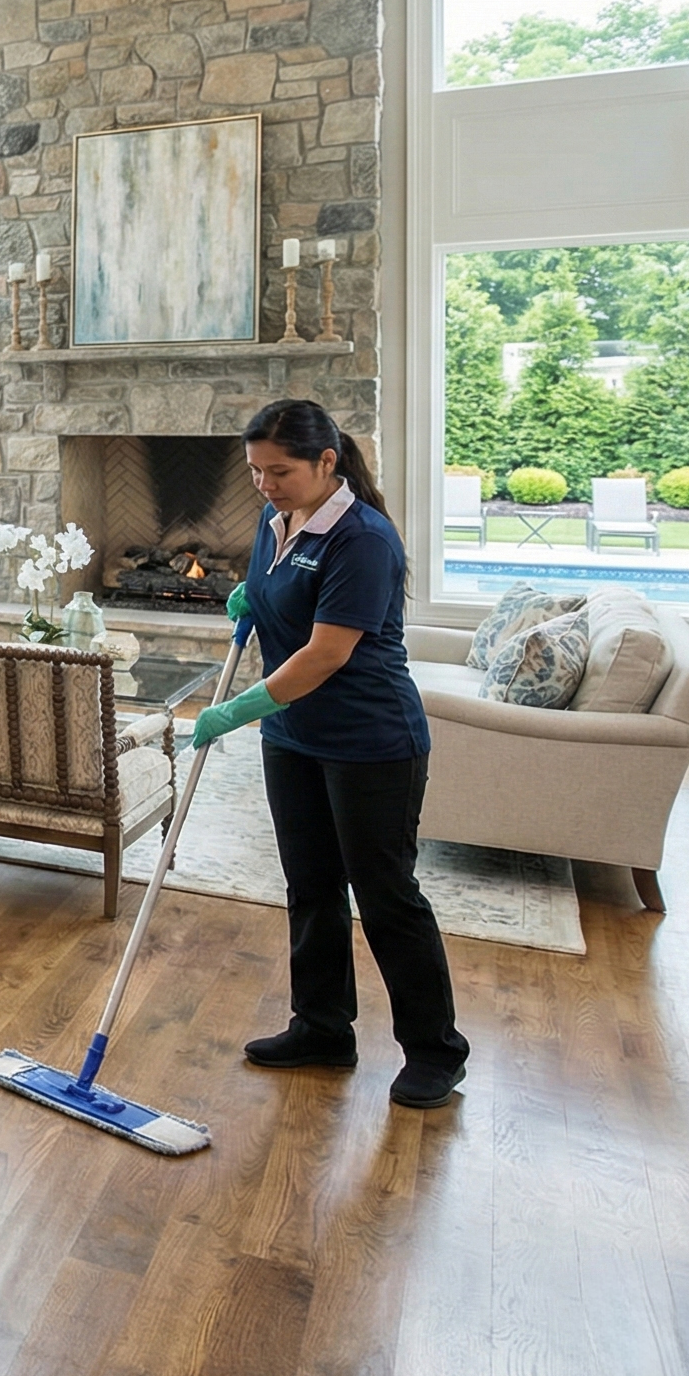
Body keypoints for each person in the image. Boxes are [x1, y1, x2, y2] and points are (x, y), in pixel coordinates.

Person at [190, 398, 469, 1109]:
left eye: (278, 471)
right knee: (311, 885)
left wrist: (237, 709)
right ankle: (320, 1028)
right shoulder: (272, 519)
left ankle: (436, 1051)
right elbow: (272, 587)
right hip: (295, 738)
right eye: (255, 472)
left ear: (326, 462)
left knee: (385, 896)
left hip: (369, 740)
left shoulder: (363, 538)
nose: (264, 485)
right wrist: (249, 597)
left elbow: (326, 653)